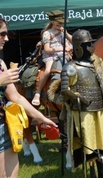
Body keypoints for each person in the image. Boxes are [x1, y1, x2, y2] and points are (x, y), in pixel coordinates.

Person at [0, 18, 57, 178]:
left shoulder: (1, 64)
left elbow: (16, 96)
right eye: (2, 34)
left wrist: (41, 118)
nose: (7, 38)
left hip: (5, 129)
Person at [61, 29, 103, 176]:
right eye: (87, 45)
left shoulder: (97, 66)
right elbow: (64, 90)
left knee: (99, 142)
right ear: (78, 47)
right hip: (82, 110)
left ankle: (101, 171)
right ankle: (91, 171)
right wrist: (78, 98)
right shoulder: (70, 67)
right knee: (87, 142)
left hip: (98, 109)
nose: (90, 48)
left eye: (90, 44)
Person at [33, 10, 72, 106]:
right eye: (59, 22)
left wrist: (66, 34)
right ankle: (37, 93)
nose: (61, 23)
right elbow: (47, 49)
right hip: (50, 55)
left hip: (63, 54)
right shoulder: (47, 33)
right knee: (47, 71)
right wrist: (61, 48)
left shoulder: (62, 32)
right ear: (53, 22)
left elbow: (70, 42)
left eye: (62, 22)